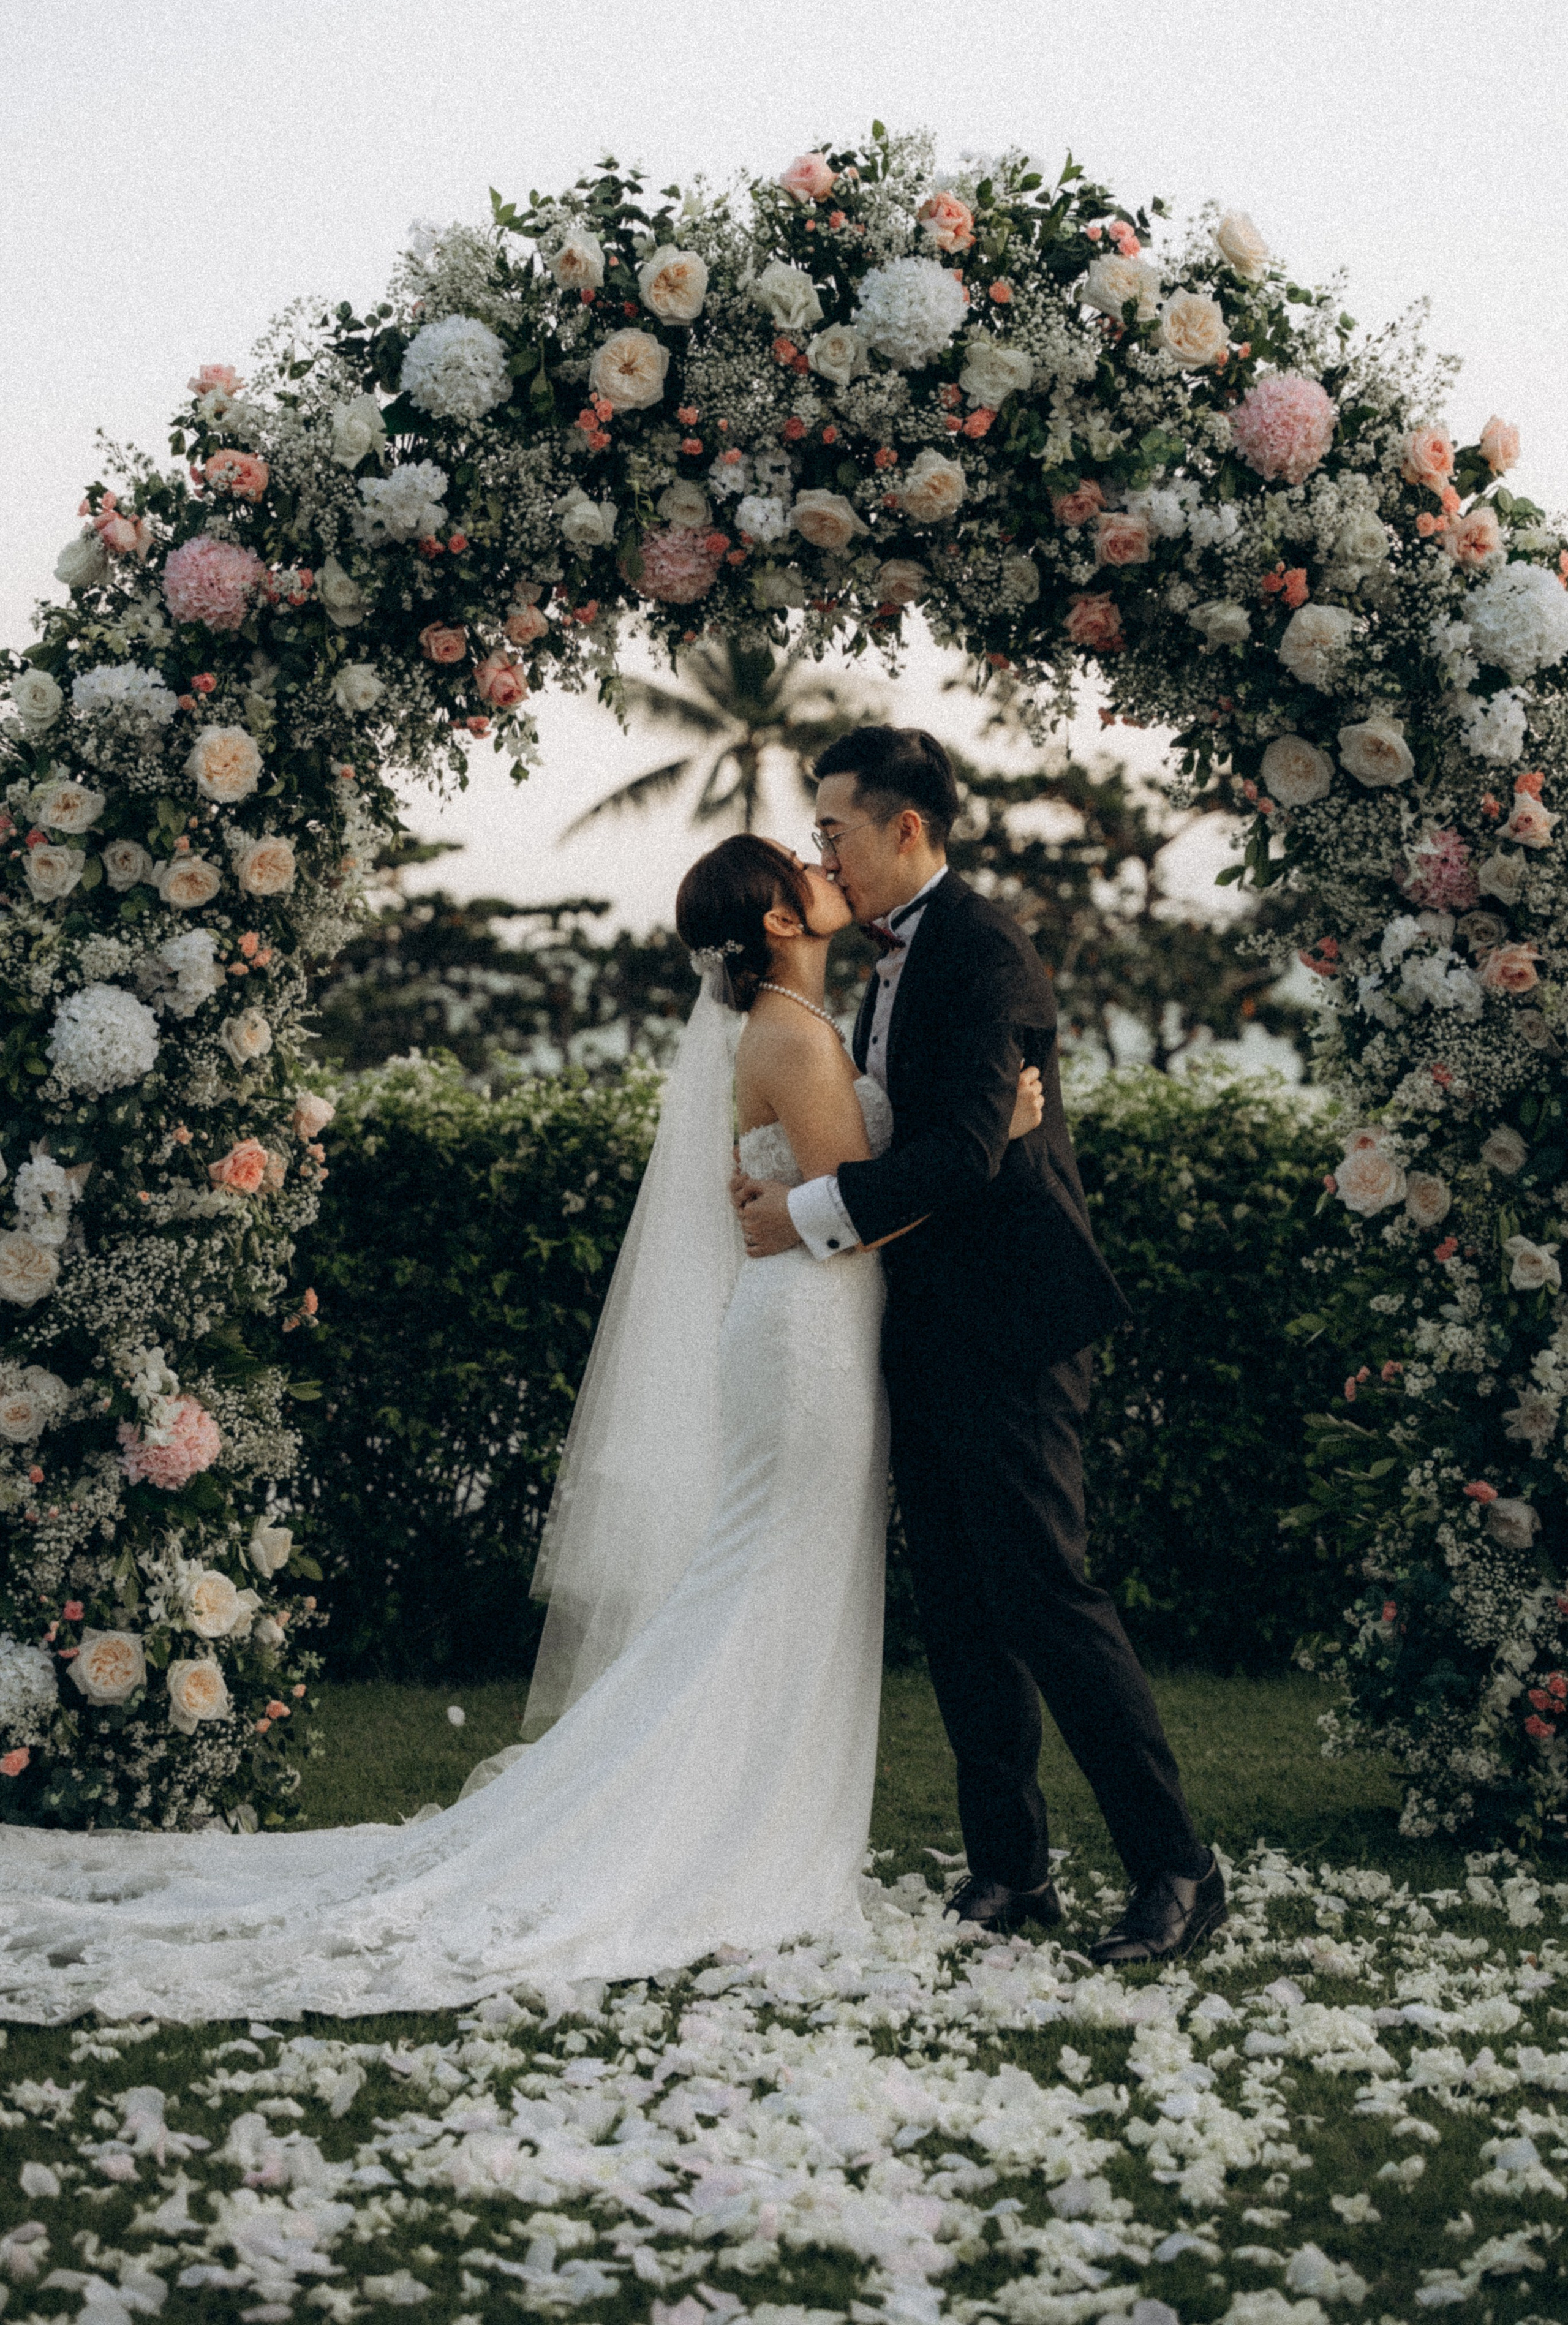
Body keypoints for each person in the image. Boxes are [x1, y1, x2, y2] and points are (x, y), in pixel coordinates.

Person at [0, 835, 1042, 2026]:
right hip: (811, 1335)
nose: (822, 869)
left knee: (773, 1580)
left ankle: (735, 1820)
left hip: (808, 1327)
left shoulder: (790, 1024)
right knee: (772, 1582)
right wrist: (991, 1138)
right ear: (770, 925)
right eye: (798, 868)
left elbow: (816, 1196)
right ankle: (713, 1837)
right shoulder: (794, 1035)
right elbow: (863, 1212)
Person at [733, 726, 1226, 1967]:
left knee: (1045, 1596)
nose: (819, 855)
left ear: (907, 827)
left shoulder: (981, 949)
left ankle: (1174, 1866)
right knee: (958, 1606)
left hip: (1011, 1323)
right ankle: (1008, 1870)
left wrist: (793, 1220)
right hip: (926, 1321)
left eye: (834, 829)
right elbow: (933, 1133)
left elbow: (959, 1154)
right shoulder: (883, 962)